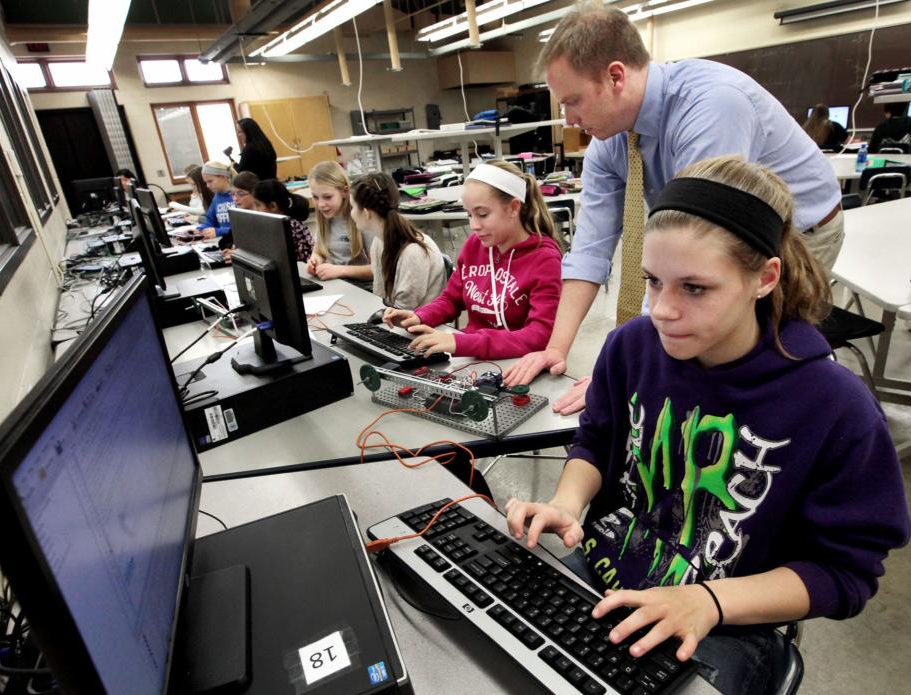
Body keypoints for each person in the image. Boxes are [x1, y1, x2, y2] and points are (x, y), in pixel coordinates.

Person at [504, 155, 910, 695]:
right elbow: (597, 440)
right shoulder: (633, 347)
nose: (663, 310)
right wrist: (566, 504)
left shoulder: (835, 407)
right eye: (653, 281)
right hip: (609, 570)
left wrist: (707, 601)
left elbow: (845, 573)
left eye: (694, 288)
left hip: (727, 619)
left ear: (764, 278)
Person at [503, 2, 845, 413]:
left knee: (746, 351)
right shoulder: (610, 141)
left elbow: (695, 251)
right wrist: (554, 349)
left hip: (798, 234)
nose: (569, 119)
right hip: (716, 237)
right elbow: (590, 251)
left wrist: (630, 368)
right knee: (689, 343)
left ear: (615, 76)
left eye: (572, 101)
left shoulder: (711, 107)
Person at [383, 161, 563, 359]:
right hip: (473, 358)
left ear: (513, 208)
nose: (474, 225)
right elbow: (452, 298)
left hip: (518, 364)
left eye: (482, 214)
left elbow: (539, 336)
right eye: (469, 214)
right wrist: (419, 316)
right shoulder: (475, 245)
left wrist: (462, 342)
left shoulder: (545, 260)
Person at [349, 172, 447, 310]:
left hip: (423, 326)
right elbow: (381, 298)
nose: (351, 213)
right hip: (397, 319)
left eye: (352, 207)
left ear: (366, 213)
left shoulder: (413, 252)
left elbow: (403, 310)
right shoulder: (378, 242)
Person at [306, 161, 374, 284]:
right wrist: (315, 261)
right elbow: (319, 252)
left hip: (362, 289)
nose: (321, 204)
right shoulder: (324, 219)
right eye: (315, 197)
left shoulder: (362, 218)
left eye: (327, 197)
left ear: (344, 191)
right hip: (336, 285)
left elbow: (378, 270)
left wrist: (340, 270)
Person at [252, 179, 314, 262]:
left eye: (258, 205)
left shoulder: (290, 226)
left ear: (273, 206)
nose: (255, 210)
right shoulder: (276, 224)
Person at [196, 160, 235, 248]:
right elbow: (210, 221)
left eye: (210, 181)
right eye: (206, 182)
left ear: (223, 177)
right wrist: (199, 230)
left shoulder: (237, 196)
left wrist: (218, 231)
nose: (207, 186)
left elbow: (243, 228)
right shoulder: (217, 197)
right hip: (224, 242)